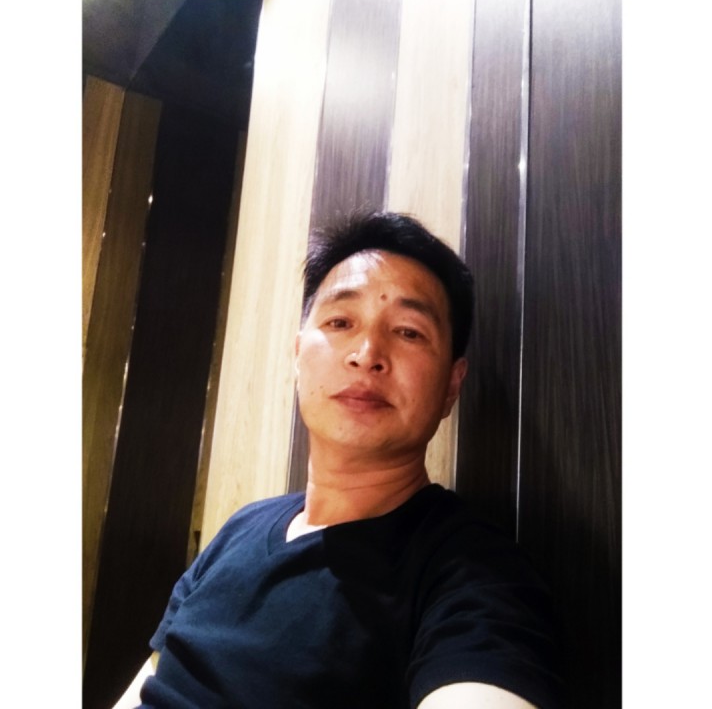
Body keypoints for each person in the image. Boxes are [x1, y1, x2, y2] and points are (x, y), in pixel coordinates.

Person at [114, 211, 562, 708]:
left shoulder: (471, 572)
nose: (367, 353)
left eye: (409, 332)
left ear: (452, 386)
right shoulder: (239, 529)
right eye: (340, 322)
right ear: (298, 356)